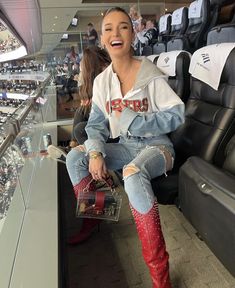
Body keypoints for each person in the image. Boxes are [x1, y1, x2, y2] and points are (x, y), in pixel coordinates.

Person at [66, 7, 184, 287]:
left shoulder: (149, 73)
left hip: (158, 148)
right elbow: (95, 125)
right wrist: (95, 152)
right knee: (75, 158)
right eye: (108, 28)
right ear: (102, 38)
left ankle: (160, 276)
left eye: (123, 27)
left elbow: (177, 114)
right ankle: (96, 218)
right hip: (127, 146)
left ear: (132, 34)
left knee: (132, 172)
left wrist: (134, 120)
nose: (115, 33)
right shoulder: (102, 81)